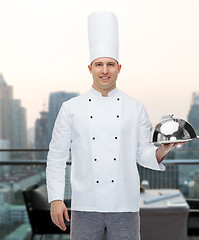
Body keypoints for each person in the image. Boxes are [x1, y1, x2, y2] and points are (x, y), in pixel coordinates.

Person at [46, 11, 184, 240]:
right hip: (85, 205)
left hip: (125, 205)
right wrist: (56, 198)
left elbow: (142, 153)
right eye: (99, 64)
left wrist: (162, 150)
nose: (105, 70)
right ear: (90, 68)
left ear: (119, 68)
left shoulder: (135, 107)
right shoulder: (71, 108)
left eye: (110, 64)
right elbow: (57, 156)